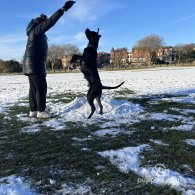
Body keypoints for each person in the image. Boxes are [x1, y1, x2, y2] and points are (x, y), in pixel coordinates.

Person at [23, 1, 75, 119]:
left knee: (33, 88)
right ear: (41, 22)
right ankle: (41, 111)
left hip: (30, 64)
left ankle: (33, 111)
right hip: (34, 64)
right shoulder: (37, 30)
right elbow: (51, 21)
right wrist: (63, 9)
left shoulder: (33, 31)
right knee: (41, 87)